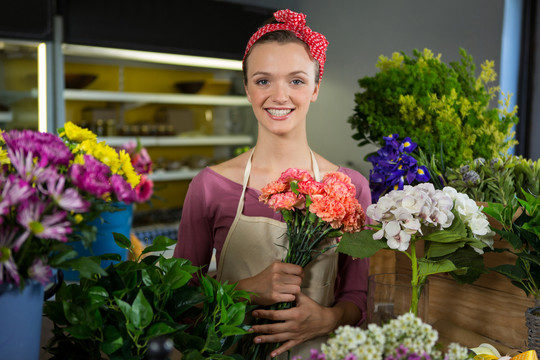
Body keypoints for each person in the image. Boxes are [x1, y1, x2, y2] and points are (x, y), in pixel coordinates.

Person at [173, 9, 371, 359]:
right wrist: (243, 291)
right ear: (248, 89)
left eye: (296, 81)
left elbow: (357, 297)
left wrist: (327, 318)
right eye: (264, 81)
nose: (279, 96)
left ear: (315, 89)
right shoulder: (209, 186)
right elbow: (179, 302)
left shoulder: (350, 187)